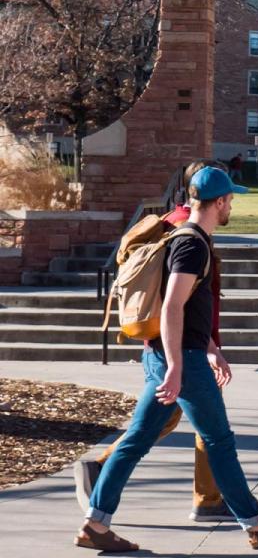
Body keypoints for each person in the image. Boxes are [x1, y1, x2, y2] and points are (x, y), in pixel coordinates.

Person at [74, 166, 258, 553]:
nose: (232, 205)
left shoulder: (186, 238)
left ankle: (96, 524)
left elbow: (189, 308)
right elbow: (172, 307)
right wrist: (179, 367)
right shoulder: (193, 244)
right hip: (179, 358)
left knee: (135, 441)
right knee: (219, 440)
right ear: (218, 202)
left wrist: (212, 349)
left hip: (165, 355)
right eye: (230, 199)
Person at [74, 160, 232, 523]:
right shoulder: (185, 231)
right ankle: (214, 503)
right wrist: (195, 352)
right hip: (180, 349)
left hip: (186, 345)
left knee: (162, 426)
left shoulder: (178, 224)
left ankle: (102, 498)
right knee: (199, 430)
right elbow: (176, 301)